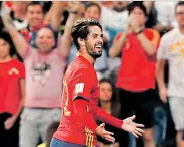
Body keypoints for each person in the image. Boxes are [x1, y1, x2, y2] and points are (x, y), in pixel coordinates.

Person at [51, 19, 144, 147]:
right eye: (94, 36)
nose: (100, 40)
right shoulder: (83, 70)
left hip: (65, 139)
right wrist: (95, 128)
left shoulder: (76, 65)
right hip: (76, 141)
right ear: (81, 40)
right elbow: (80, 109)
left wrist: (120, 123)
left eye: (100, 36)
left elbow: (90, 108)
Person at [0, 2, 79, 147]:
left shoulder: (59, 55)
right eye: (41, 37)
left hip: (54, 112)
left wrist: (73, 13)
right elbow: (12, 32)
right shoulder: (28, 53)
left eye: (49, 37)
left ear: (54, 41)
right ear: (35, 40)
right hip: (29, 113)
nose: (44, 40)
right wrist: (5, 14)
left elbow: (67, 33)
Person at [109, 3, 160, 147]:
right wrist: (127, 31)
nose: (136, 16)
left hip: (145, 89)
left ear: (145, 18)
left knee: (147, 135)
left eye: (139, 14)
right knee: (121, 132)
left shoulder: (152, 33)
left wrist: (138, 31)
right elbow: (112, 53)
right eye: (133, 13)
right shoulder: (121, 35)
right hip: (124, 88)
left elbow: (151, 50)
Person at [156, 2, 184, 147]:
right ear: (175, 16)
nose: (183, 16)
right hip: (177, 91)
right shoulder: (168, 38)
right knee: (181, 129)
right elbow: (159, 66)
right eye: (180, 13)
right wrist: (161, 88)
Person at [0, 33, 25, 147]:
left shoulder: (19, 66)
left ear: (9, 45)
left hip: (14, 116)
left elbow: (24, 96)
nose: (0, 48)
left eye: (3, 44)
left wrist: (14, 118)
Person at [97, 79, 122, 147]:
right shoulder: (91, 110)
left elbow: (124, 138)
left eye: (109, 90)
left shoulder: (120, 110)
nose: (106, 93)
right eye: (103, 90)